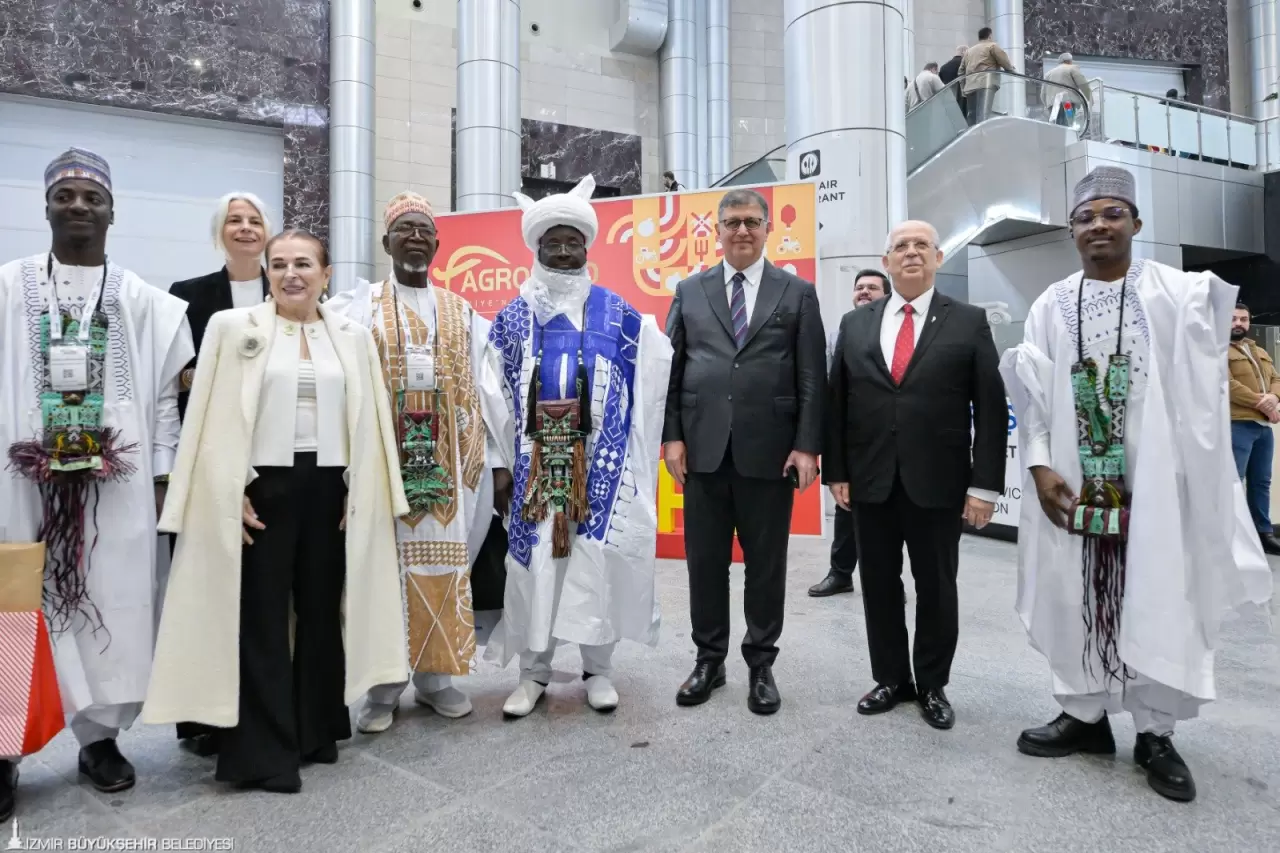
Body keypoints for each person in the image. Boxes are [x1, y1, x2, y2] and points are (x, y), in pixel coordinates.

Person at [1000, 166, 1273, 803]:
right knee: (1073, 592)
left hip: (1156, 482)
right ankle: (1085, 715)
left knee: (1159, 593)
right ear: (1071, 230)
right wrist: (1039, 469)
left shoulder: (1177, 293)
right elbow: (1034, 397)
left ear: (1137, 224)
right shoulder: (1050, 303)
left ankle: (1156, 733)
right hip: (1075, 481)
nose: (1099, 225)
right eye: (1086, 216)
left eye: (1112, 213)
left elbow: (1205, 377)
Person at [142, 230, 409, 793]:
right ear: (266, 271)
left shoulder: (352, 336)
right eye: (280, 264)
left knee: (319, 612)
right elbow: (209, 418)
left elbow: (371, 421)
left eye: (304, 264)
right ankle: (261, 753)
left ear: (326, 274)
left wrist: (361, 491)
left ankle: (316, 729)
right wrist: (227, 489)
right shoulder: (233, 329)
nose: (292, 273)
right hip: (262, 491)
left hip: (331, 493)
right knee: (260, 618)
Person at [0, 148, 193, 815]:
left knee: (114, 602)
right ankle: (5, 748)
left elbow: (167, 401)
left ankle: (100, 738)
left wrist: (166, 476)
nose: (78, 206)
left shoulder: (144, 301)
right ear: (46, 205)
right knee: (16, 604)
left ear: (113, 210)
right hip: (22, 482)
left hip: (120, 485)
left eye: (91, 197)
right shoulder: (8, 285)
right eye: (65, 195)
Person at [481, 174, 673, 717]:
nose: (564, 251)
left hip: (602, 468)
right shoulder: (513, 319)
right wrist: (500, 466)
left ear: (587, 247)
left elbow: (653, 379)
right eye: (553, 242)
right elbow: (490, 399)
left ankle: (598, 669)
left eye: (573, 241)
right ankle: (533, 673)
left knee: (596, 563)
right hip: (534, 469)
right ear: (537, 249)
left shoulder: (621, 315)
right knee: (535, 567)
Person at [327, 191, 506, 732]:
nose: (415, 237)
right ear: (386, 242)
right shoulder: (357, 308)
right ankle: (382, 687)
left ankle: (435, 681)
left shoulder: (463, 311)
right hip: (384, 466)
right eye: (404, 228)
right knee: (382, 571)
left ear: (436, 244)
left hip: (450, 469)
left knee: (445, 565)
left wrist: (497, 459)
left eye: (424, 230)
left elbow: (488, 390)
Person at [824, 220, 1006, 731]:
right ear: (886, 261)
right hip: (870, 480)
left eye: (919, 245)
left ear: (938, 257)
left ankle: (931, 683)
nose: (910, 253)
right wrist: (837, 470)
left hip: (940, 481)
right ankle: (890, 678)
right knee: (878, 584)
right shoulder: (855, 324)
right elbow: (839, 402)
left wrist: (984, 485)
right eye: (900, 246)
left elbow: (990, 409)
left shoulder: (967, 321)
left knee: (936, 586)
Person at [664, 187, 826, 715]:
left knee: (766, 564)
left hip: (770, 452)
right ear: (716, 229)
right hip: (704, 451)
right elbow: (674, 371)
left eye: (751, 221)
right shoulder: (689, 290)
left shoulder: (796, 292)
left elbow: (810, 377)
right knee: (704, 562)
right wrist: (672, 436)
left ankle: (761, 663)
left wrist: (806, 446)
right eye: (731, 221)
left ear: (767, 228)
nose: (741, 230)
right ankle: (708, 661)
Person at [165, 190, 272, 756]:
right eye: (236, 221)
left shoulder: (287, 290)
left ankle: (263, 705)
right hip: (211, 455)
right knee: (209, 588)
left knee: (266, 594)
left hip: (276, 461)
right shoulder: (189, 297)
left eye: (255, 221)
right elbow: (179, 381)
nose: (247, 229)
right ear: (219, 232)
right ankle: (203, 717)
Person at [809, 269, 890, 598]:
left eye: (872, 287)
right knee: (846, 511)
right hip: (852, 437)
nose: (864, 292)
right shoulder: (841, 329)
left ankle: (887, 579)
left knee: (888, 515)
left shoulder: (899, 330)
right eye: (859, 288)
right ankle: (840, 573)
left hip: (890, 438)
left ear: (886, 294)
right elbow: (832, 388)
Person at [1228, 302, 1280, 555]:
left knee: (1261, 482)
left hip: (1262, 428)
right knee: (1234, 483)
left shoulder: (1257, 349)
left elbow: (1276, 378)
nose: (1239, 323)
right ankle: (1235, 539)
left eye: (1244, 319)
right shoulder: (1215, 350)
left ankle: (1263, 534)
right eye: (1233, 318)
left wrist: (1275, 397)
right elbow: (1228, 385)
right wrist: (1266, 404)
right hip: (1236, 424)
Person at [959, 27, 1016, 125]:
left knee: (972, 115)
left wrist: (963, 88)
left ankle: (971, 137)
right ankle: (982, 138)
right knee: (983, 115)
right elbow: (1004, 61)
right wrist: (1011, 70)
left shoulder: (969, 51)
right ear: (989, 35)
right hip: (986, 83)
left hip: (970, 86)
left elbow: (961, 71)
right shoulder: (992, 46)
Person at [1043, 53, 1093, 122]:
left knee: (1055, 125)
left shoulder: (1048, 73)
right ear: (1069, 61)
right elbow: (1083, 84)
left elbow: (1042, 94)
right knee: (1069, 121)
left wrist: (1047, 105)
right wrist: (1090, 98)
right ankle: (1069, 129)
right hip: (1067, 102)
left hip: (1053, 104)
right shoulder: (1072, 68)